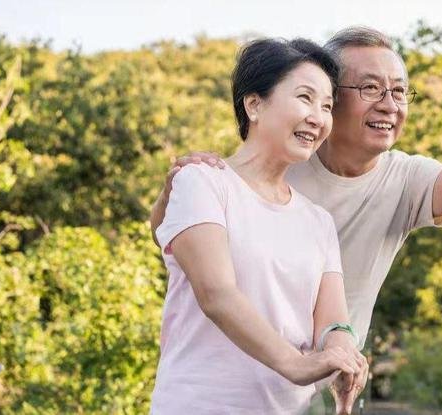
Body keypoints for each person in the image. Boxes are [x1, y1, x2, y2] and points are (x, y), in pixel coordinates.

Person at [151, 26, 442, 410]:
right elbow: (196, 262)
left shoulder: (375, 190)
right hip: (222, 387)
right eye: (371, 88)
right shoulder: (259, 165)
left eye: (399, 91)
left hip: (311, 385)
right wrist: (178, 188)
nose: (390, 104)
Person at [150, 37, 368, 415]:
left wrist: (341, 354)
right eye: (305, 97)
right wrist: (298, 365)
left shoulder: (317, 221)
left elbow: (333, 321)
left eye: (328, 106)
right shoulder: (202, 182)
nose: (318, 116)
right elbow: (216, 293)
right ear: (254, 104)